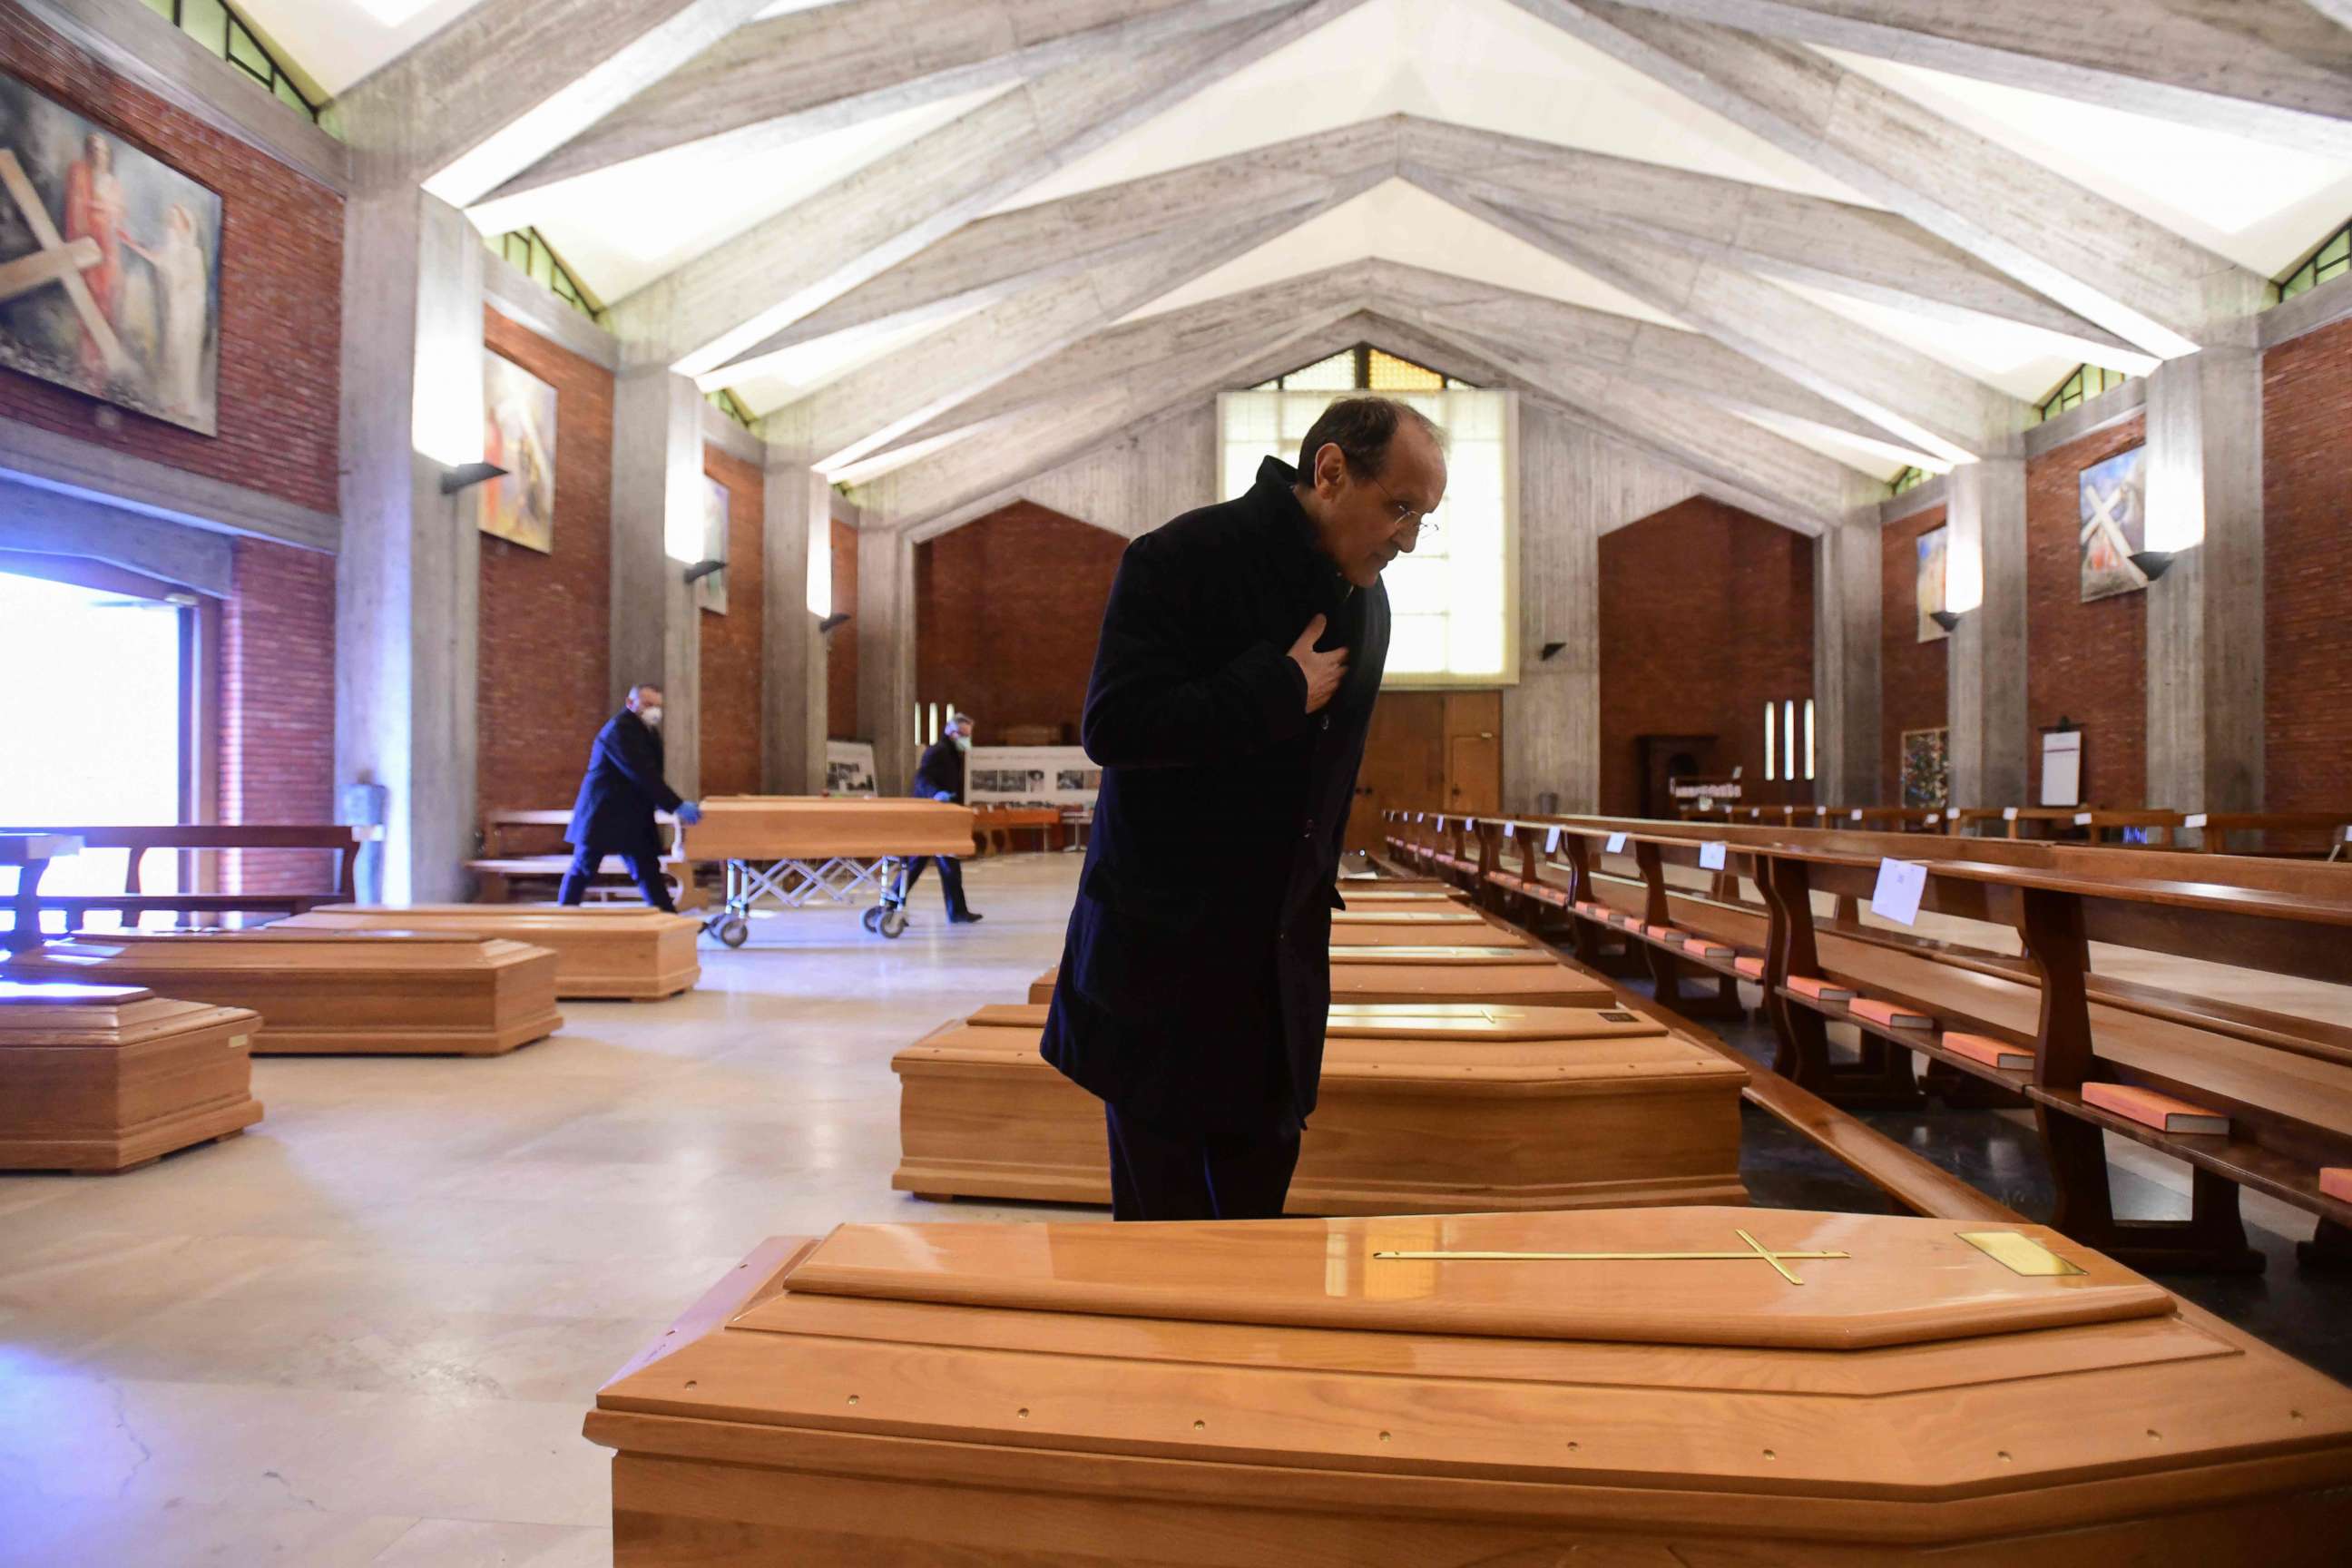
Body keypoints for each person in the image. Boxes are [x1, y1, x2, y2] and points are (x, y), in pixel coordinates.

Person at [1041, 396, 1447, 1220]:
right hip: (1163, 966)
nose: (1407, 538)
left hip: (1275, 977)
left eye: (1422, 519)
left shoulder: (1369, 603)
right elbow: (1112, 726)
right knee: (1163, 1242)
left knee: (1261, 1235)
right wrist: (1274, 688)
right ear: (1331, 471)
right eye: (1399, 508)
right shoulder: (1182, 557)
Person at [559, 684, 702, 912]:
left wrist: (668, 803)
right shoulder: (619, 729)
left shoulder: (648, 731)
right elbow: (641, 772)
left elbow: (652, 775)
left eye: (657, 706)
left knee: (648, 870)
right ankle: (562, 917)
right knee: (584, 868)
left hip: (632, 815)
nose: (654, 710)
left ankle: (669, 920)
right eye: (648, 704)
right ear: (630, 703)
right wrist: (675, 805)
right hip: (603, 813)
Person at [897, 710, 983, 924]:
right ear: (952, 732)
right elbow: (922, 777)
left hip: (942, 817)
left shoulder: (952, 753)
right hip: (930, 816)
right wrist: (936, 794)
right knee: (922, 864)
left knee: (942, 864)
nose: (966, 740)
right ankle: (891, 905)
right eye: (964, 735)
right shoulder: (938, 752)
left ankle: (957, 911)